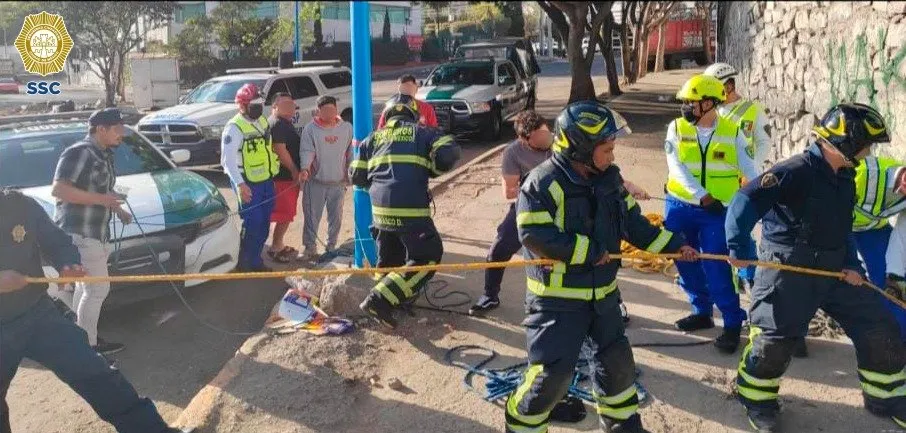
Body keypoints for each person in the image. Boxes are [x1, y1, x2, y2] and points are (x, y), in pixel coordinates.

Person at [504, 100, 698, 433]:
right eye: (606, 149)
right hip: (556, 302)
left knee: (617, 366)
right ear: (580, 148)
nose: (612, 156)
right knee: (552, 376)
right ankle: (521, 424)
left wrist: (673, 246)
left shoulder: (610, 180)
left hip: (604, 296)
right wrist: (588, 251)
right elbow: (533, 233)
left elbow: (634, 225)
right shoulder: (541, 183)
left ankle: (622, 424)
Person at [726, 102, 906, 431]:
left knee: (879, 326)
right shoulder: (794, 171)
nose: (869, 151)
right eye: (866, 144)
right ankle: (756, 399)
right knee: (774, 343)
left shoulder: (846, 176)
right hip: (789, 273)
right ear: (847, 143)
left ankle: (887, 397)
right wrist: (738, 248)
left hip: (836, 270)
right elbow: (743, 201)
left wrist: (853, 268)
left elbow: (842, 228)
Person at [0, 189, 191, 433]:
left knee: (97, 374)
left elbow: (55, 239)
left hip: (39, 315)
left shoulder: (17, 204)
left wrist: (67, 264)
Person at [468, 110, 649, 319]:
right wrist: (540, 189)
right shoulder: (512, 153)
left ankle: (614, 302)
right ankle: (489, 295)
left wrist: (628, 186)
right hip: (530, 205)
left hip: (571, 203)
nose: (547, 139)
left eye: (547, 133)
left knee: (601, 249)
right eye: (540, 136)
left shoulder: (566, 143)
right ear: (526, 140)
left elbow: (597, 172)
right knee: (498, 249)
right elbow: (508, 191)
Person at [663, 74, 759, 354]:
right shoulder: (677, 129)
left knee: (718, 266)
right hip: (681, 206)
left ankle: (731, 323)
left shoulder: (733, 131)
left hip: (718, 212)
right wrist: (702, 196)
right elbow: (676, 167)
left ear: (708, 104)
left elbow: (749, 169)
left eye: (691, 103)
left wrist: (759, 198)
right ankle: (701, 311)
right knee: (684, 259)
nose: (685, 108)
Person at [350, 94, 461, 328]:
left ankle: (392, 301)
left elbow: (356, 176)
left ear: (386, 115)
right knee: (427, 257)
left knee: (390, 259)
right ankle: (379, 300)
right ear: (413, 114)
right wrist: (432, 169)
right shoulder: (423, 132)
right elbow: (448, 153)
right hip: (411, 211)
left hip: (379, 212)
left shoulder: (372, 139)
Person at [51, 108, 131, 355]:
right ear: (101, 129)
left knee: (87, 289)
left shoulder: (104, 155)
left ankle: (81, 339)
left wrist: (117, 208)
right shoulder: (79, 153)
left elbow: (100, 192)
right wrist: (101, 200)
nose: (122, 133)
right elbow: (59, 190)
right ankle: (89, 348)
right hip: (79, 233)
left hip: (96, 233)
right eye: (117, 129)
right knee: (97, 289)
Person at [703, 62, 772, 292]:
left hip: (742, 181)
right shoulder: (711, 113)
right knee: (715, 229)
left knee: (741, 228)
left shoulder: (752, 111)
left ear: (729, 85)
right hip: (714, 182)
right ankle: (722, 272)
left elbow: (763, 143)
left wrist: (749, 170)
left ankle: (748, 274)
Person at [221, 83, 279, 272]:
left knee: (264, 223)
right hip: (247, 182)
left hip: (265, 181)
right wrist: (240, 184)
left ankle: (255, 259)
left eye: (260, 103)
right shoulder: (234, 128)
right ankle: (246, 262)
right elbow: (227, 162)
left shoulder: (261, 121)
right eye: (254, 103)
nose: (259, 107)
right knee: (252, 223)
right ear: (243, 105)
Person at [851, 155, 906, 338]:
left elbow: (901, 236)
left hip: (872, 230)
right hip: (833, 227)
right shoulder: (863, 175)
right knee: (815, 278)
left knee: (891, 286)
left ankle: (898, 340)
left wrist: (895, 274)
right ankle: (791, 333)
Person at [298, 95, 353, 261]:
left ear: (336, 109)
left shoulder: (347, 128)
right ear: (318, 111)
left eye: (332, 109)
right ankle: (310, 247)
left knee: (336, 217)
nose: (329, 113)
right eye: (325, 110)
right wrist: (305, 168)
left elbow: (351, 152)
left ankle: (331, 247)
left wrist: (351, 173)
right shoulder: (310, 129)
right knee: (311, 217)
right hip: (316, 182)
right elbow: (307, 150)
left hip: (338, 183)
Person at [267, 92, 302, 263]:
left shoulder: (282, 122)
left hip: (283, 176)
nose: (290, 108)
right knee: (284, 214)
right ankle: (275, 248)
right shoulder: (277, 124)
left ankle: (278, 245)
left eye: (292, 104)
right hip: (283, 177)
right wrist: (295, 170)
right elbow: (280, 150)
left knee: (283, 213)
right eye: (285, 104)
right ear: (274, 106)